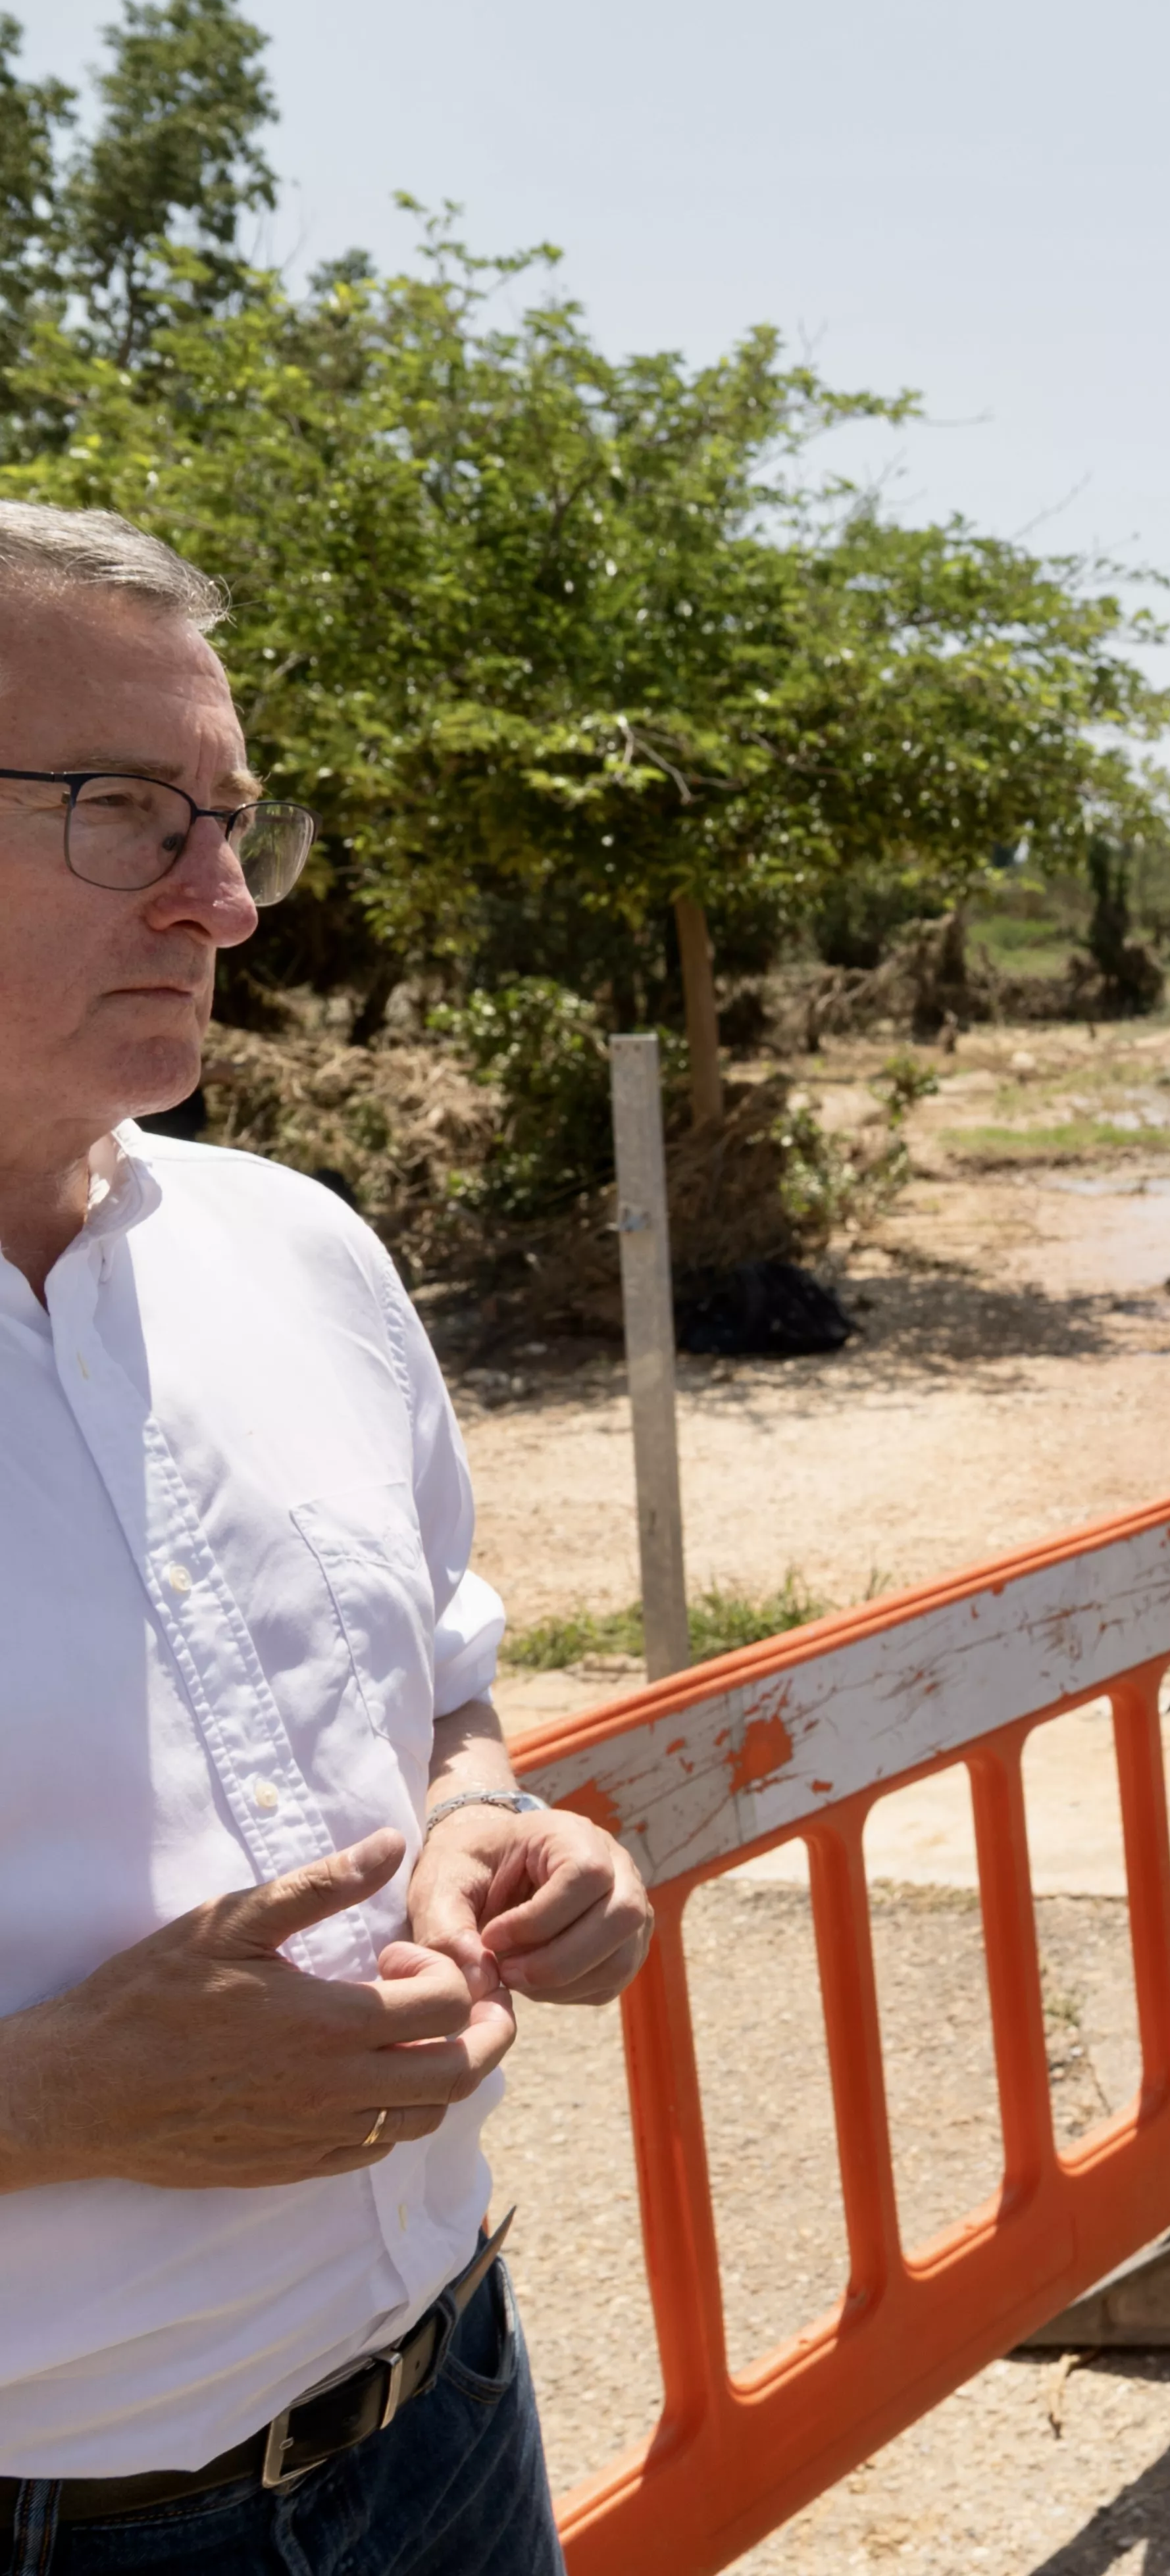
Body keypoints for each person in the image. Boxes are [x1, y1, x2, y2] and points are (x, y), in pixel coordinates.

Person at [0, 502, 655, 2567]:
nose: (229, 904)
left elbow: (443, 1687)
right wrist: (49, 2106)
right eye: (132, 812)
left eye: (236, 823)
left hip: (441, 2412)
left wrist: (506, 1830)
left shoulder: (299, 1252)